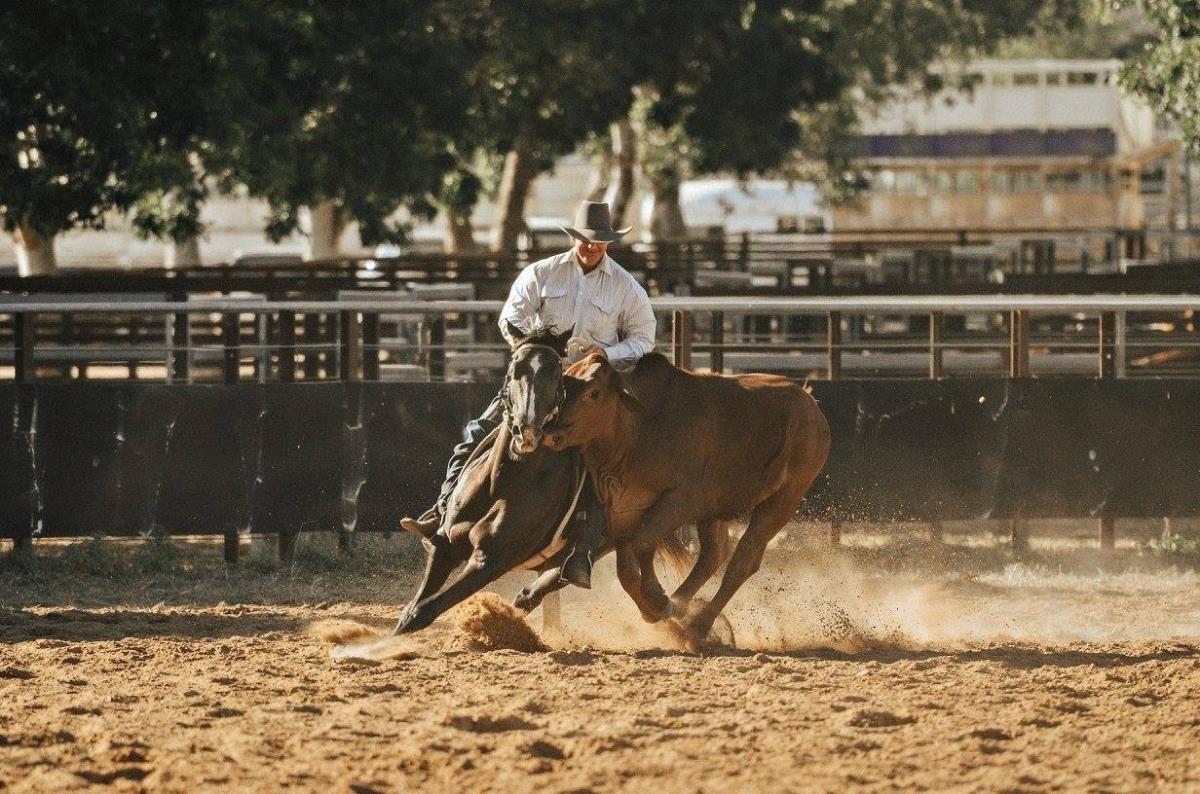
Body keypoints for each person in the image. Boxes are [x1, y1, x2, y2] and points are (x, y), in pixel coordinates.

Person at [400, 200, 657, 588]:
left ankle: (583, 547)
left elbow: (643, 339)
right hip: (538, 381)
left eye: (599, 240)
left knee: (598, 463)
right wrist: (533, 347)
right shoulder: (542, 273)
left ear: (608, 243)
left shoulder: (625, 287)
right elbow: (511, 318)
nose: (592, 246)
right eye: (586, 239)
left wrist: (607, 354)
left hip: (587, 392)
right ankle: (442, 512)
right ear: (575, 238)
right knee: (477, 432)